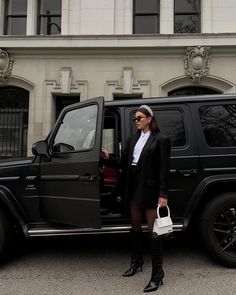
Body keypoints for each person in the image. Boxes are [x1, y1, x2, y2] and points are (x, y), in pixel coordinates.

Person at [102, 104, 171, 293]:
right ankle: (137, 262)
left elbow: (164, 170)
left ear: (149, 118)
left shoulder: (161, 139)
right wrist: (107, 158)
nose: (136, 121)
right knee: (134, 226)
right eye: (135, 118)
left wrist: (163, 194)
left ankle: (158, 274)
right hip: (133, 188)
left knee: (154, 230)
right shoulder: (132, 139)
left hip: (150, 190)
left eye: (140, 118)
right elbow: (122, 162)